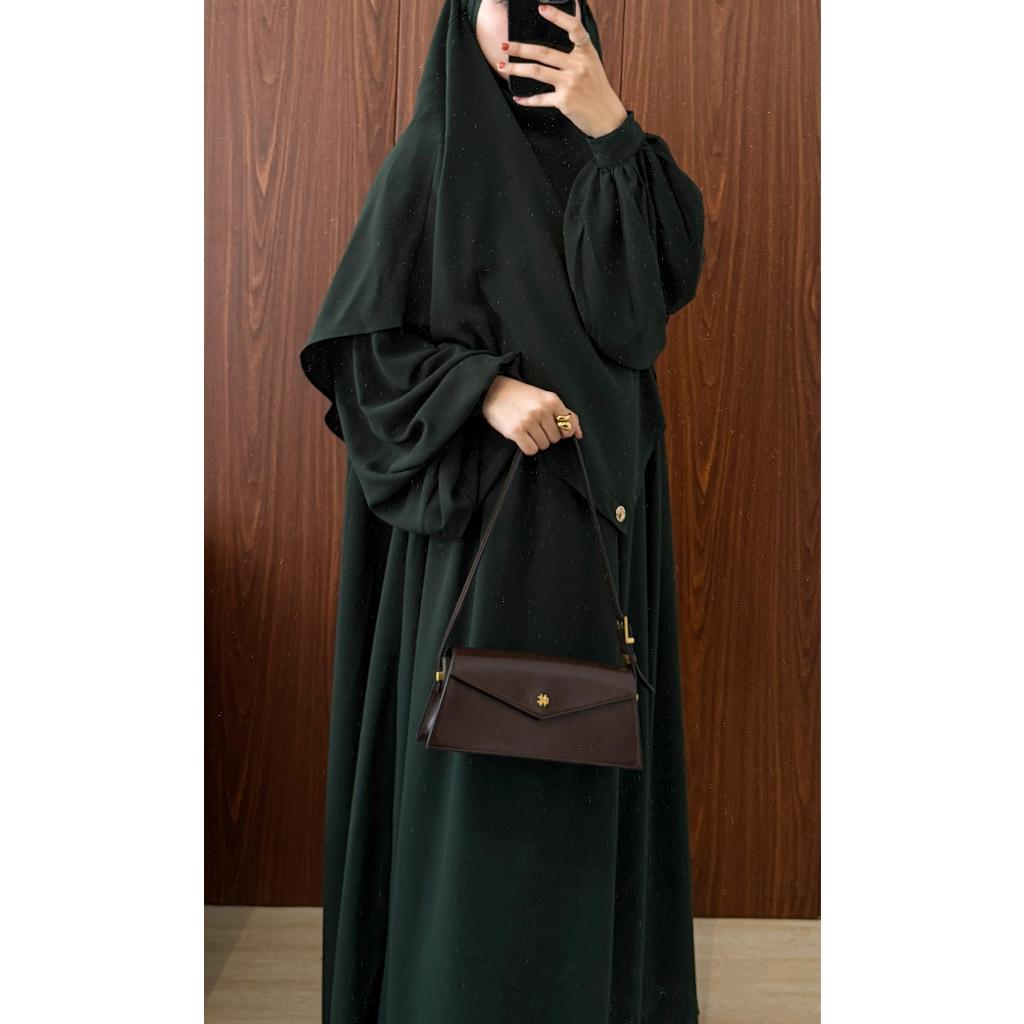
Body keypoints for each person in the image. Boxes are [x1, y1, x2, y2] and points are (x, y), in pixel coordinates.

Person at [299, 1, 706, 1021]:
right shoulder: (432, 160)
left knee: (589, 770)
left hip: (599, 524)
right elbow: (362, 357)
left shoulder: (617, 162)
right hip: (482, 532)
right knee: (478, 787)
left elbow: (637, 321)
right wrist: (483, 390)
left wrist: (612, 129)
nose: (524, 16)